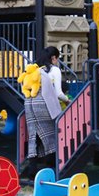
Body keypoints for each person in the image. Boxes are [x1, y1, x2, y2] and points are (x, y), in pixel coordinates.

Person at [21, 47, 70, 179]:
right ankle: (51, 167)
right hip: (44, 104)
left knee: (34, 136)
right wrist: (67, 100)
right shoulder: (54, 70)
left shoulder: (35, 69)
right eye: (57, 58)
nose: (57, 61)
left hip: (30, 103)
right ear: (53, 58)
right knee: (51, 134)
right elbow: (58, 93)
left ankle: (32, 171)